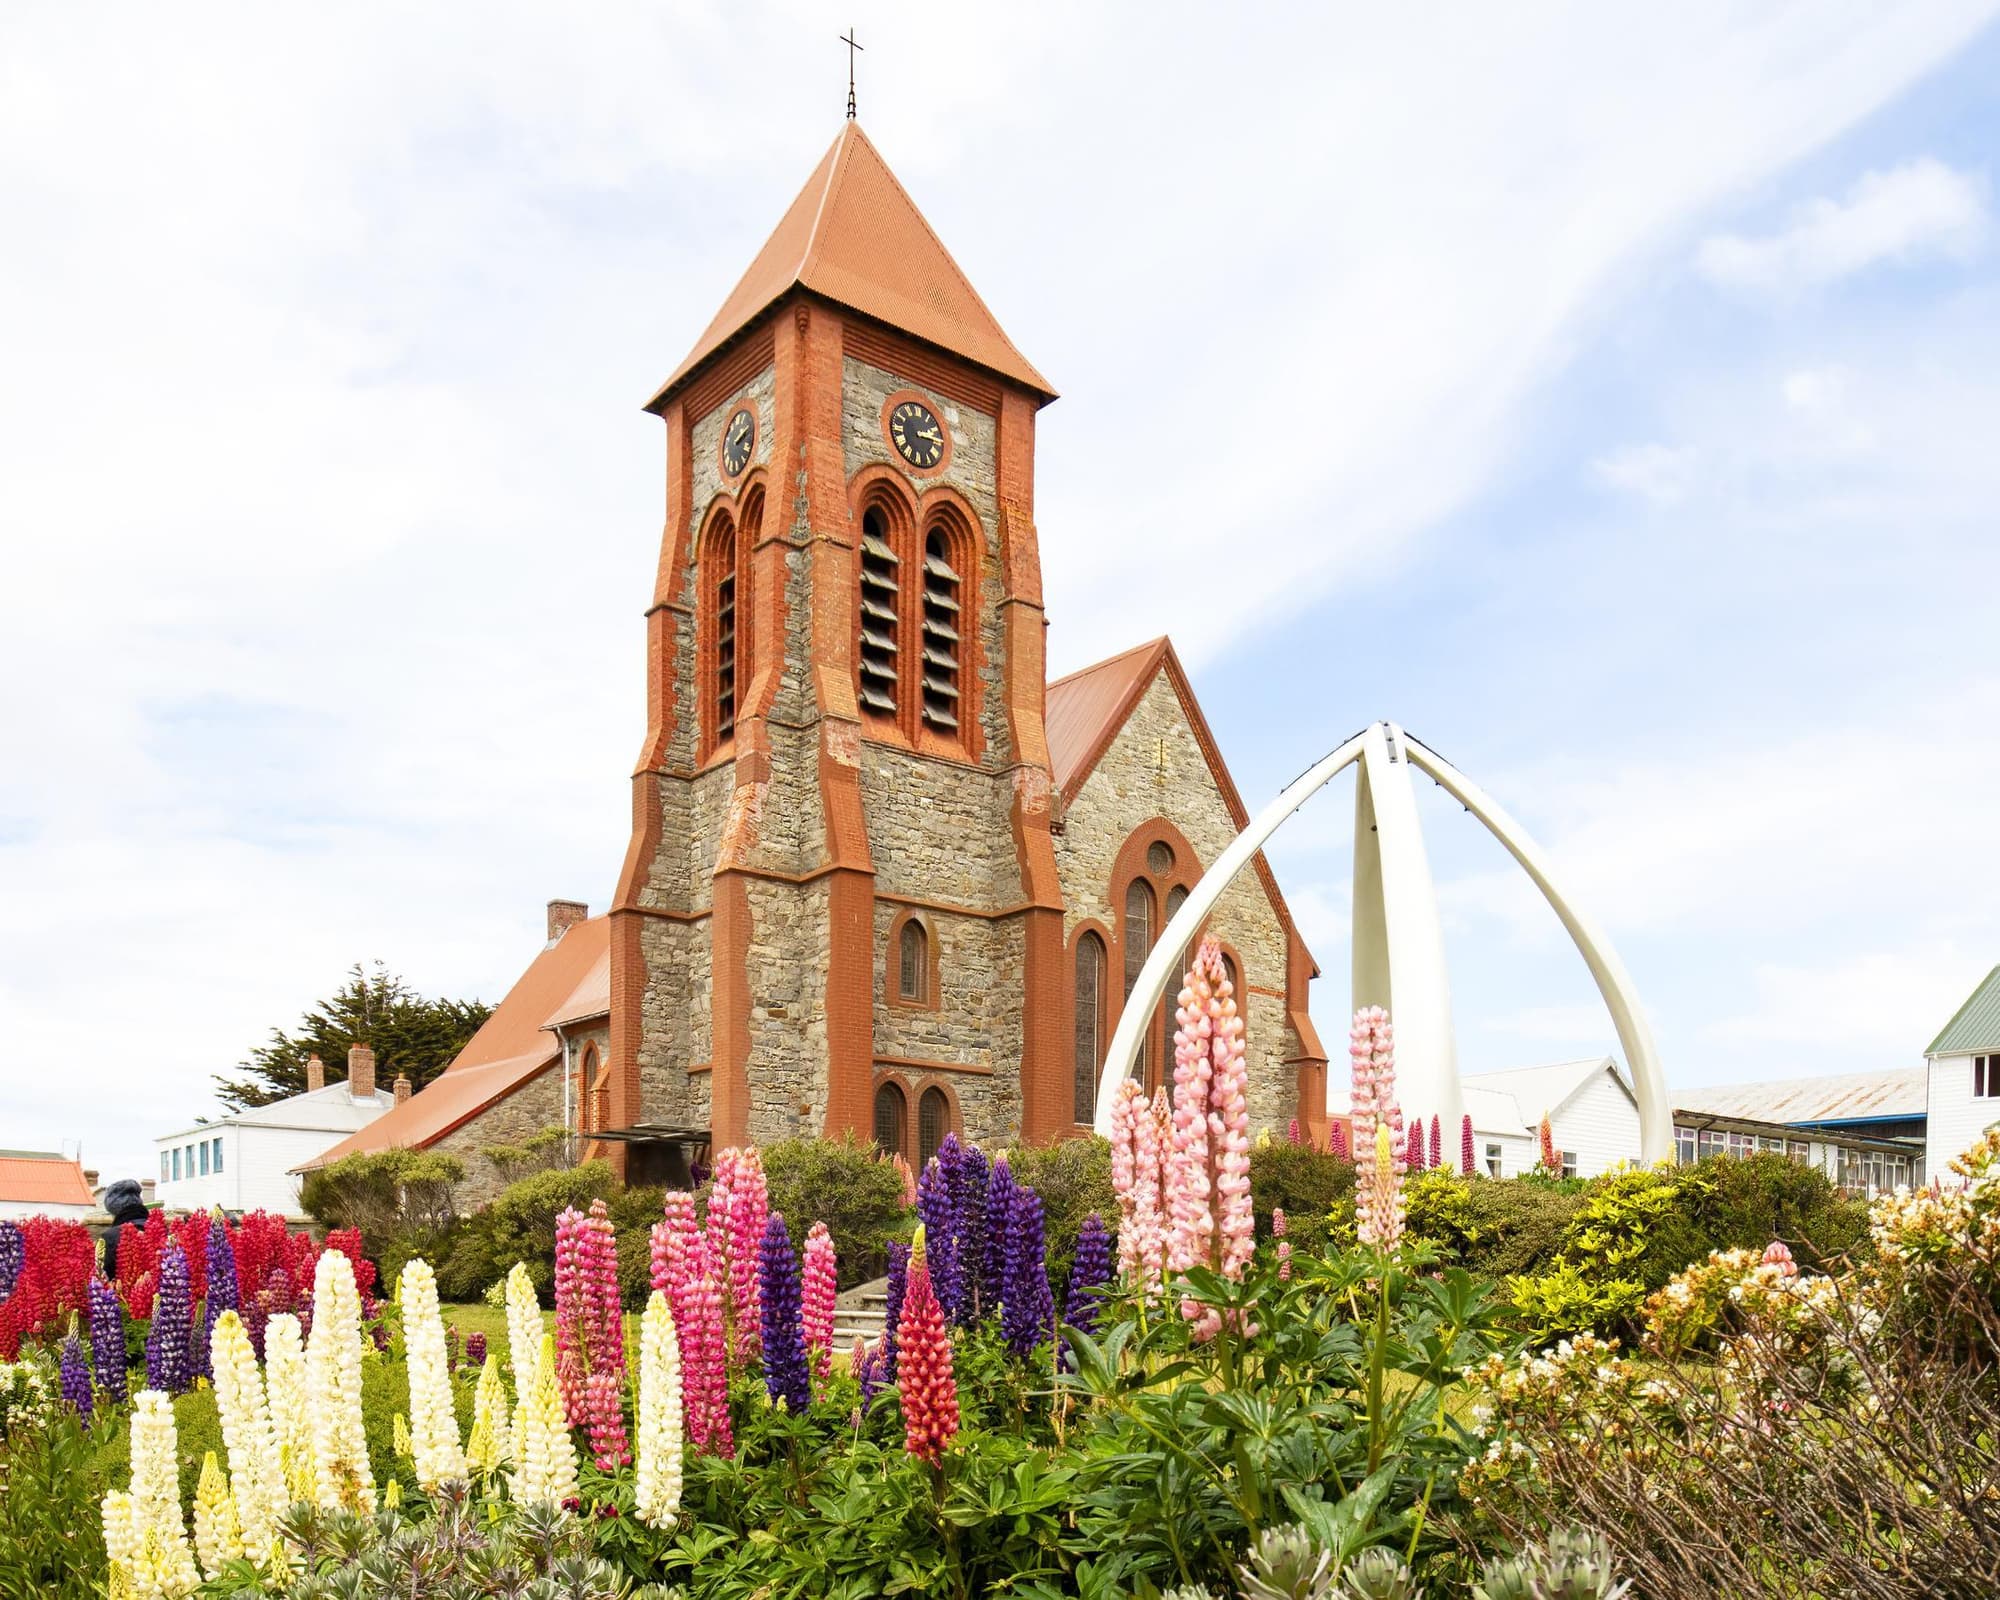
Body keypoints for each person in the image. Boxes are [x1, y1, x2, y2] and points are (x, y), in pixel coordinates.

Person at [95, 1178, 149, 1281]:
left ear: (113, 1209)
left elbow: (103, 1277)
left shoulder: (110, 1237)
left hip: (123, 1294)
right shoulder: (164, 1230)